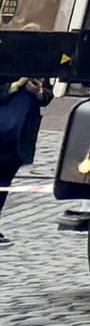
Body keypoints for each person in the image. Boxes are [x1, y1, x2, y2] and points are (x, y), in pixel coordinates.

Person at [0, 77, 39, 240]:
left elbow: (46, 96)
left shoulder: (38, 62)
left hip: (20, 135)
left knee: (4, 183)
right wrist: (16, 85)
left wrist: (39, 91)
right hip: (4, 126)